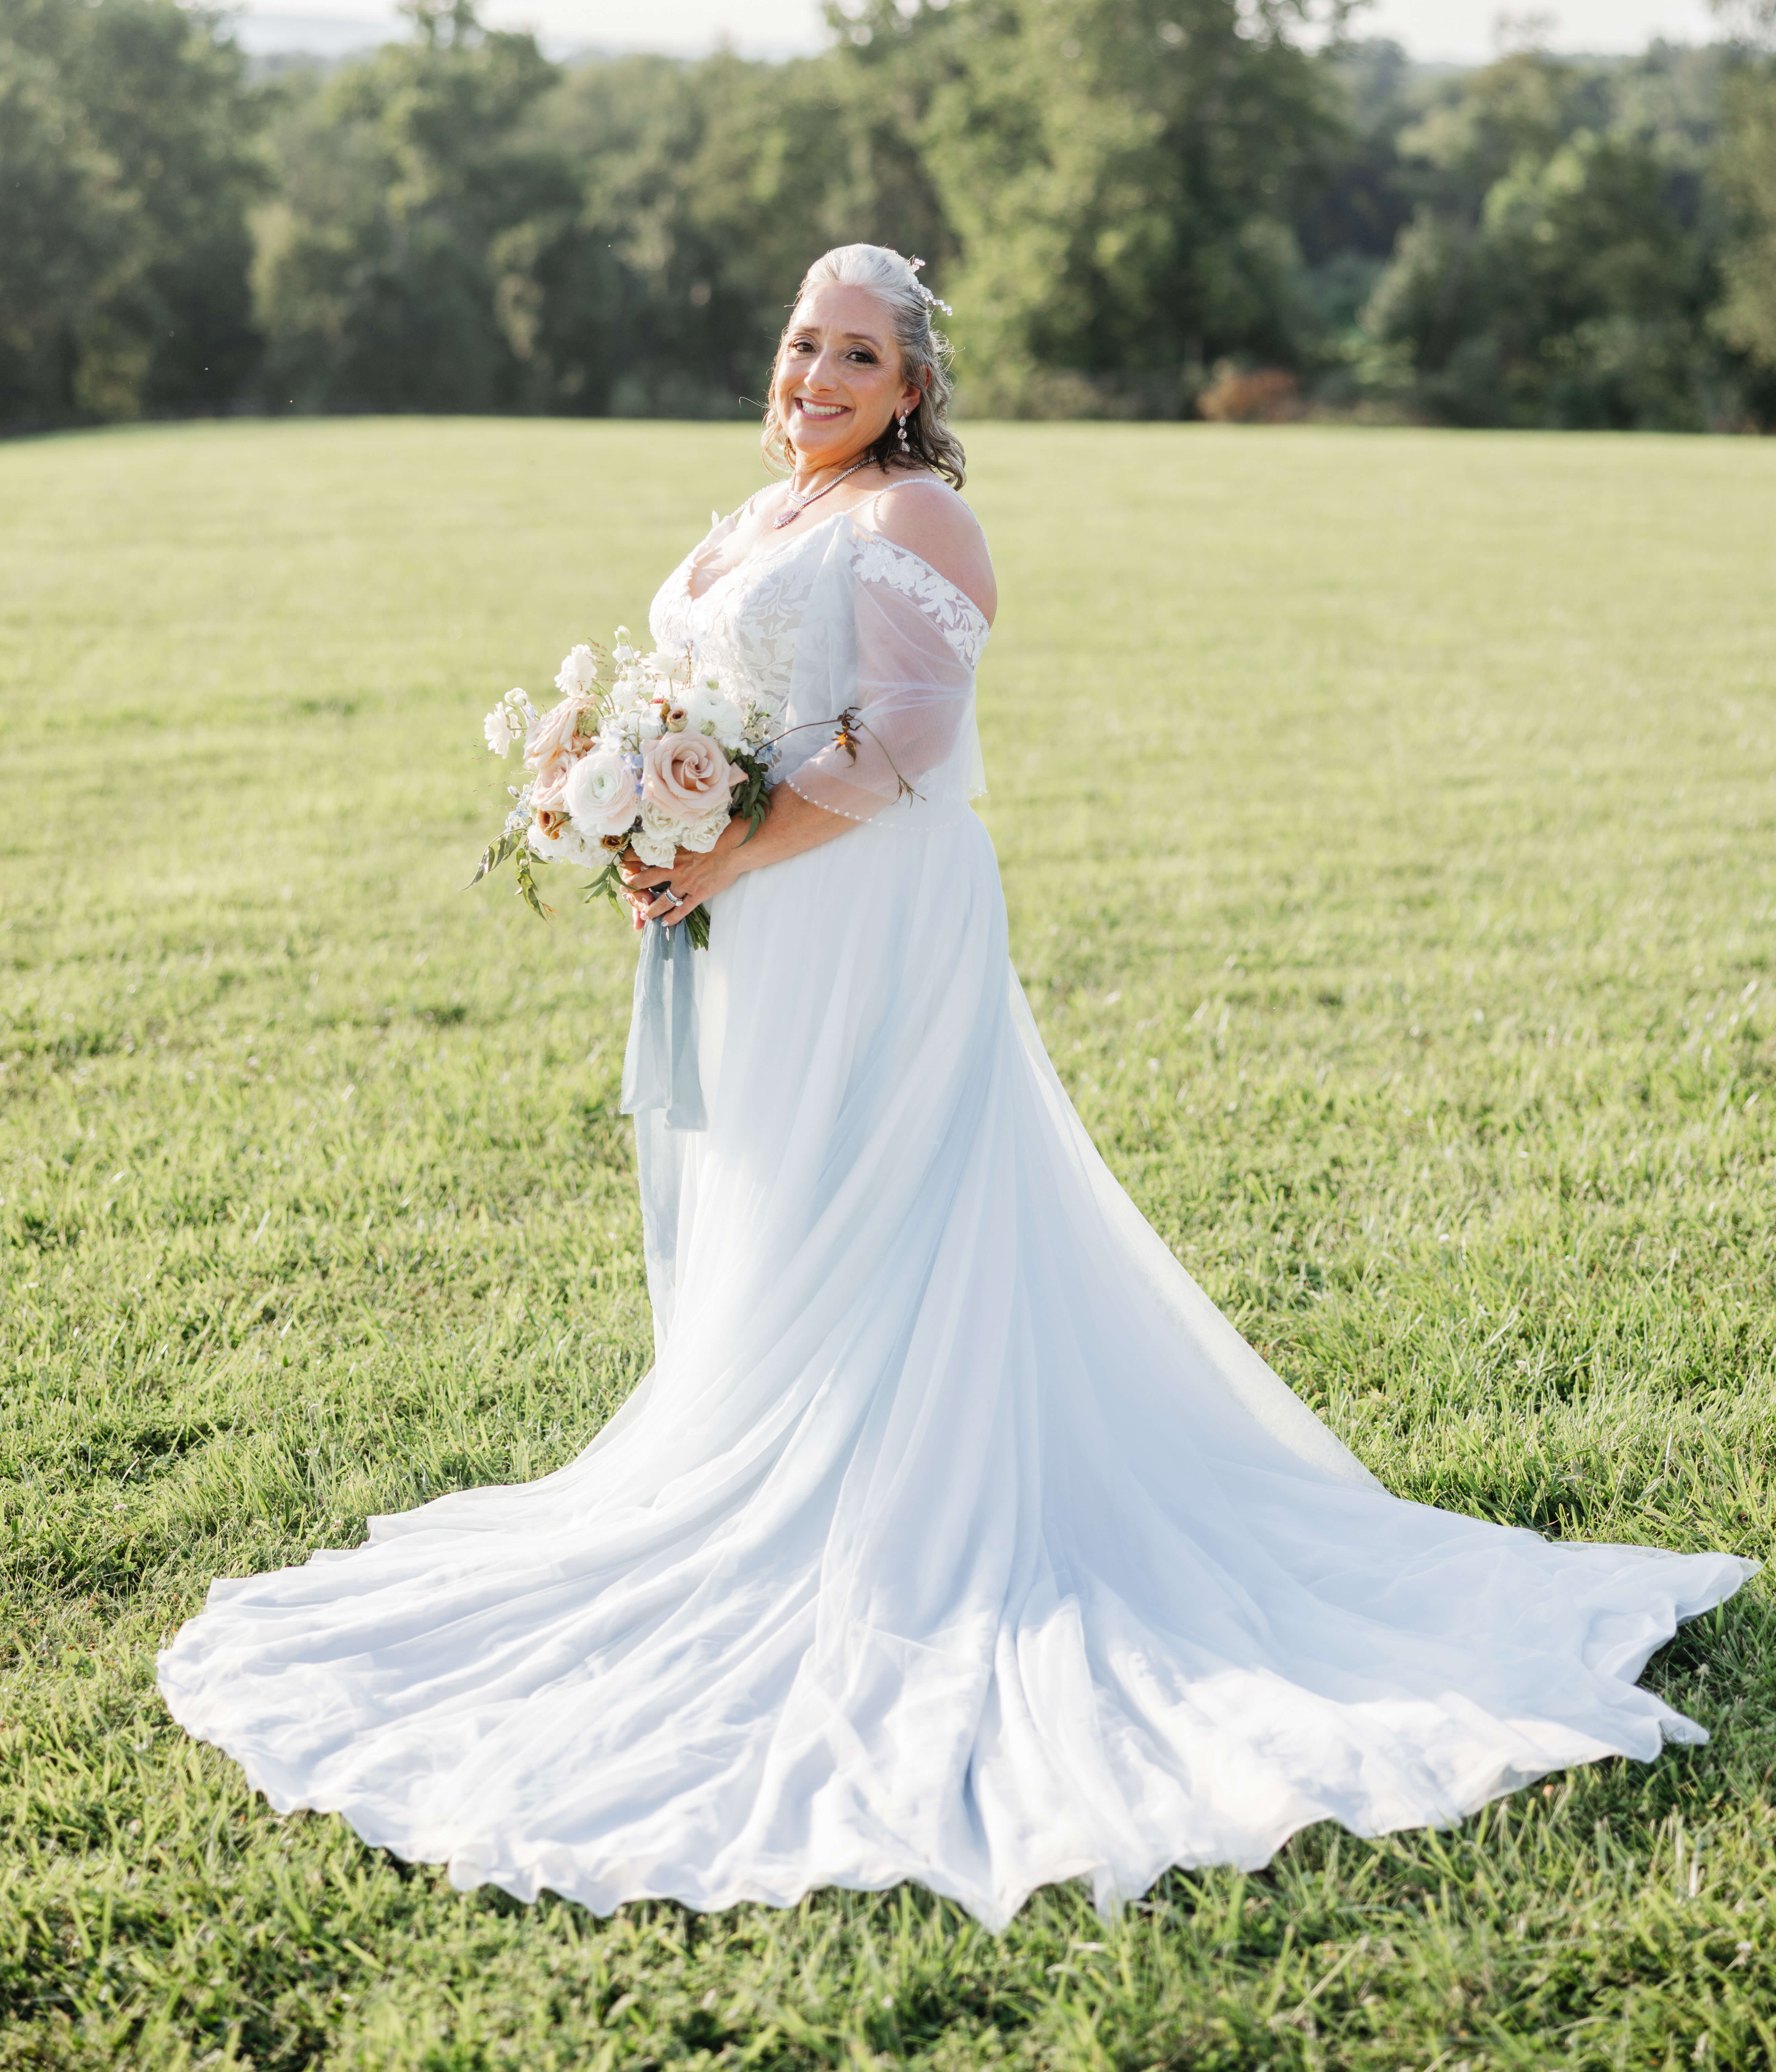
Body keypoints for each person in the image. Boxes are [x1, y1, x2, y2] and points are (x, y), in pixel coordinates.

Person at [159, 243, 1753, 1929]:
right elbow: (719, 705)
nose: (818, 376)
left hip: (867, 914)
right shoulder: (758, 515)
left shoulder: (913, 518)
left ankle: (888, 1515)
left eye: (859, 354)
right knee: (784, 1197)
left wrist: (721, 849)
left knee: (881, 1203)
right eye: (804, 343)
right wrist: (640, 814)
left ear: (913, 384)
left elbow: (904, 738)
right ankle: (776, 1448)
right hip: (762, 922)